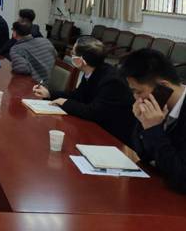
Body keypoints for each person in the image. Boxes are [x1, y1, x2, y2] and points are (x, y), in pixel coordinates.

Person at [33, 36, 136, 146]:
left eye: (73, 53)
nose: (71, 55)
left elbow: (93, 112)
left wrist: (65, 103)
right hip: (97, 126)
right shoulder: (92, 71)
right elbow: (78, 95)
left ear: (81, 60)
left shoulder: (112, 81)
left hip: (114, 136)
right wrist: (49, 94)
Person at [120, 49, 186, 193]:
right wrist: (142, 123)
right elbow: (144, 156)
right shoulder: (159, 106)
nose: (136, 98)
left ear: (164, 87)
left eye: (139, 92)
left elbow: (181, 177)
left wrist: (153, 130)